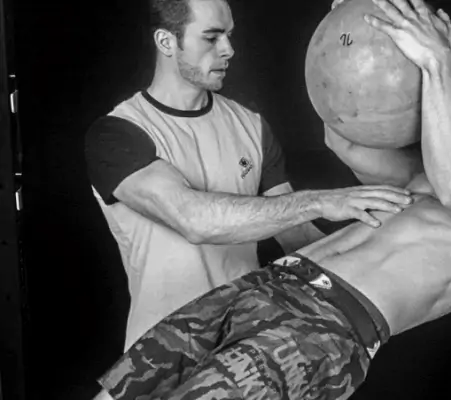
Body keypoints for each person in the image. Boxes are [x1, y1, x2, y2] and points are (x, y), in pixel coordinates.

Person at [91, 0, 451, 399]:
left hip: (324, 326)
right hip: (266, 282)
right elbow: (345, 139)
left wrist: (443, 66)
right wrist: (348, 36)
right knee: (117, 394)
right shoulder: (439, 176)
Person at [84, 0, 415, 351]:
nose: (228, 49)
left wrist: (386, 239)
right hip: (160, 355)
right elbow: (193, 219)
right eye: (211, 38)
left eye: (228, 35)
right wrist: (319, 201)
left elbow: (297, 239)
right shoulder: (117, 134)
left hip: (244, 350)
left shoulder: (252, 127)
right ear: (166, 42)